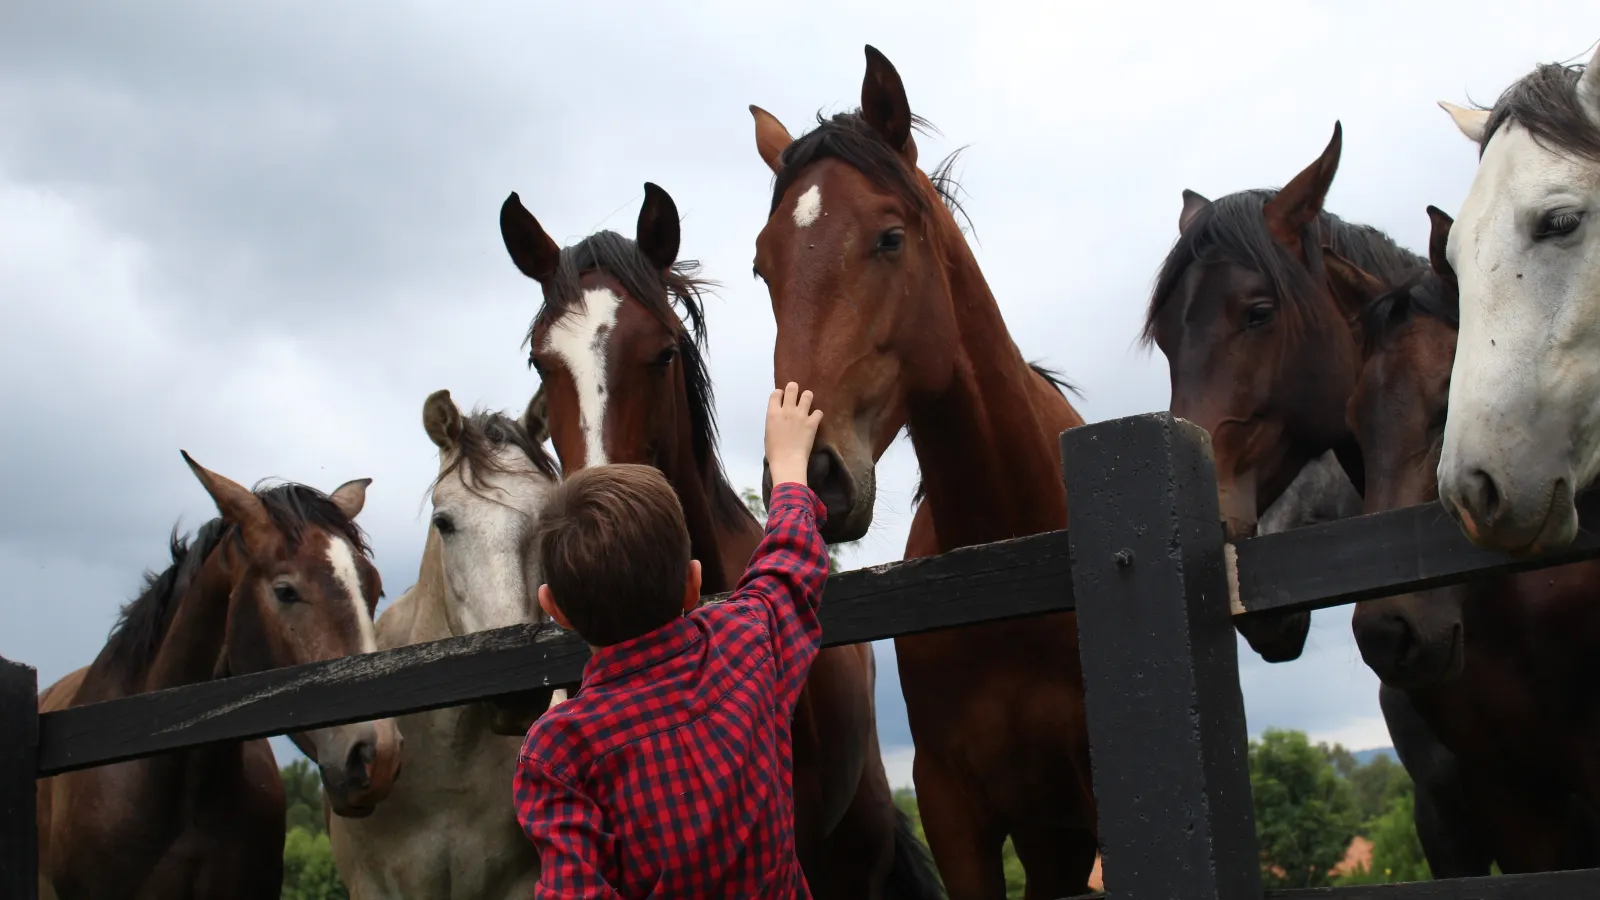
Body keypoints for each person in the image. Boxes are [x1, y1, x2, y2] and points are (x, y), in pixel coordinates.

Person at [514, 382, 831, 898]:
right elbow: (789, 567)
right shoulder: (746, 645)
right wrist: (789, 468)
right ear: (693, 582)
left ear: (555, 610)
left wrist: (557, 726)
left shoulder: (558, 752)